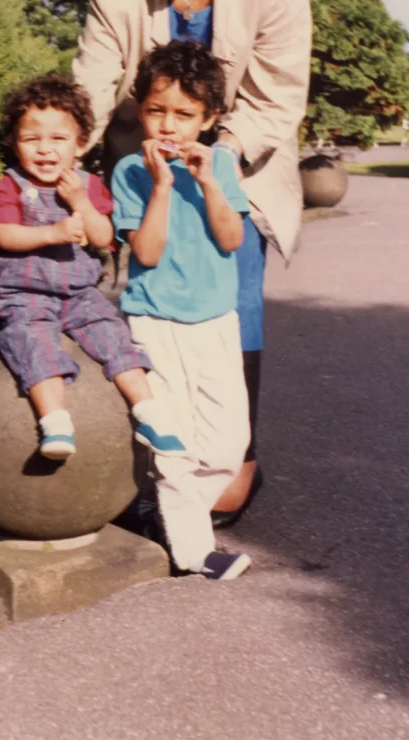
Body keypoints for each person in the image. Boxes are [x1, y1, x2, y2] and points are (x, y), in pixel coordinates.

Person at [73, 0, 312, 523]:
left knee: (230, 290)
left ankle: (235, 456)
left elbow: (275, 100)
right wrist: (59, 156)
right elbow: (90, 90)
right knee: (150, 309)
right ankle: (160, 459)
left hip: (240, 161)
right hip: (143, 165)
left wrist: (215, 164)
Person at [0, 73, 185, 461]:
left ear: (80, 145)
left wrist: (80, 202)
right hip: (25, 294)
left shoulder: (88, 185)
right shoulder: (12, 185)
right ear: (15, 144)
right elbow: (3, 235)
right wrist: (54, 231)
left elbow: (102, 237)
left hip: (80, 295)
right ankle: (55, 422)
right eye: (32, 139)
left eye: (58, 139)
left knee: (115, 339)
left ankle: (149, 411)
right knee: (34, 343)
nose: (45, 150)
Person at [112, 40, 251, 580]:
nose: (169, 126)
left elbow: (231, 237)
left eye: (185, 115)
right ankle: (193, 549)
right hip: (155, 320)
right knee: (176, 440)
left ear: (210, 118)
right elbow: (144, 252)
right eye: (156, 110)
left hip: (215, 320)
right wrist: (164, 186)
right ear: (140, 107)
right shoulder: (130, 170)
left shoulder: (219, 163)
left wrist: (208, 180)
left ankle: (165, 511)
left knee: (226, 441)